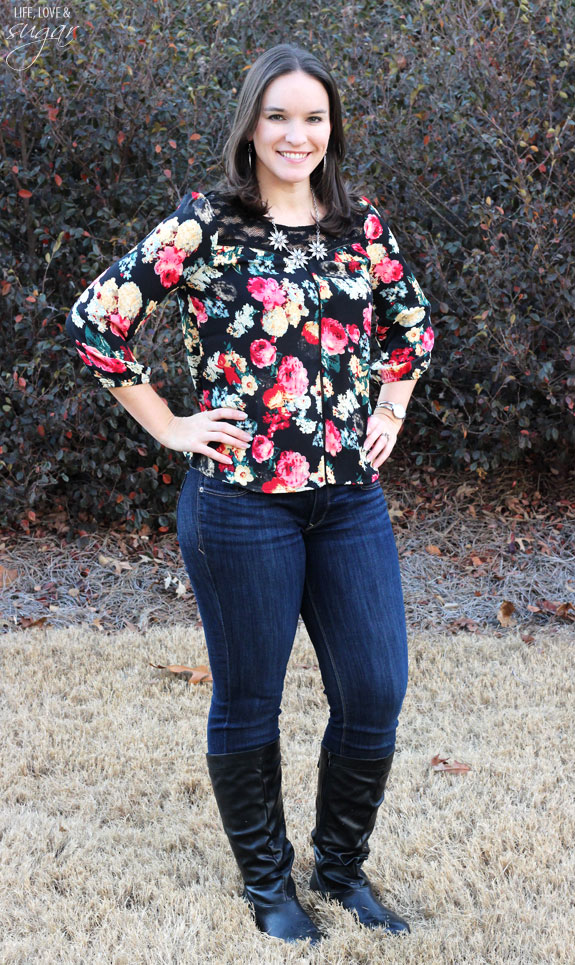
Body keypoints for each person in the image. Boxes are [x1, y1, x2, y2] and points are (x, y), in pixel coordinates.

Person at [65, 43, 435, 947]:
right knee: (248, 697)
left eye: (313, 117)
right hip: (239, 504)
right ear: (250, 124)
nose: (295, 134)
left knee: (376, 688)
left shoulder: (362, 227)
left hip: (347, 498)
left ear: (331, 128)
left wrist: (390, 403)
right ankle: (267, 884)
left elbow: (413, 328)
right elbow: (97, 322)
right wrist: (167, 425)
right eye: (278, 116)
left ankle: (340, 871)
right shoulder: (205, 226)